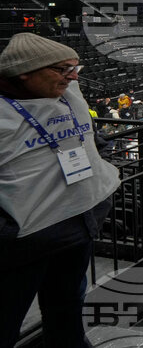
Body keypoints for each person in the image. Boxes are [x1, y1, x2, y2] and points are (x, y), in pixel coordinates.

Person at [0, 33, 120, 347]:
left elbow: (86, 138)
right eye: (62, 69)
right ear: (25, 72)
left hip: (76, 228)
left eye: (74, 67)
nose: (72, 76)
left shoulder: (67, 96)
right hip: (24, 243)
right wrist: (7, 229)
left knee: (66, 308)